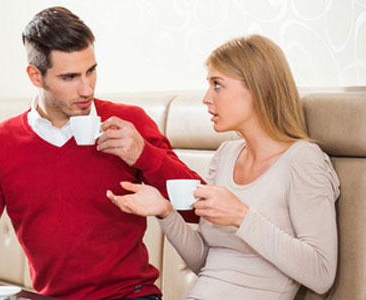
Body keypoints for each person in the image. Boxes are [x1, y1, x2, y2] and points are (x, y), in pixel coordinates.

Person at [0, 6, 202, 300]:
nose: (87, 89)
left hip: (130, 295)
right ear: (35, 76)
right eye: (69, 78)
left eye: (91, 71)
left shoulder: (129, 124)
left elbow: (194, 209)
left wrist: (143, 154)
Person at [108, 34, 340, 300]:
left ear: (260, 87)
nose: (206, 98)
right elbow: (206, 262)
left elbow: (321, 274)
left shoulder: (303, 160)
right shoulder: (226, 155)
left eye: (217, 85)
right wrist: (166, 211)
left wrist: (241, 216)